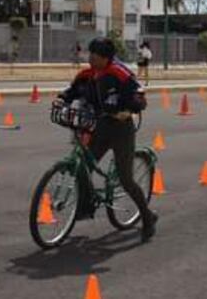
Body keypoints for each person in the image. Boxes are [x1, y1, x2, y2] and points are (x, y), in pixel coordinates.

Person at [57, 37, 157, 241]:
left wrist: (129, 109)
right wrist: (61, 98)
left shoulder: (119, 73)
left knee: (125, 179)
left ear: (105, 58)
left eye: (94, 56)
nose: (90, 59)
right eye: (90, 54)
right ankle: (85, 206)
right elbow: (73, 90)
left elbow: (139, 96)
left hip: (121, 129)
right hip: (100, 126)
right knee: (83, 165)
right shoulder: (87, 74)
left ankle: (147, 217)